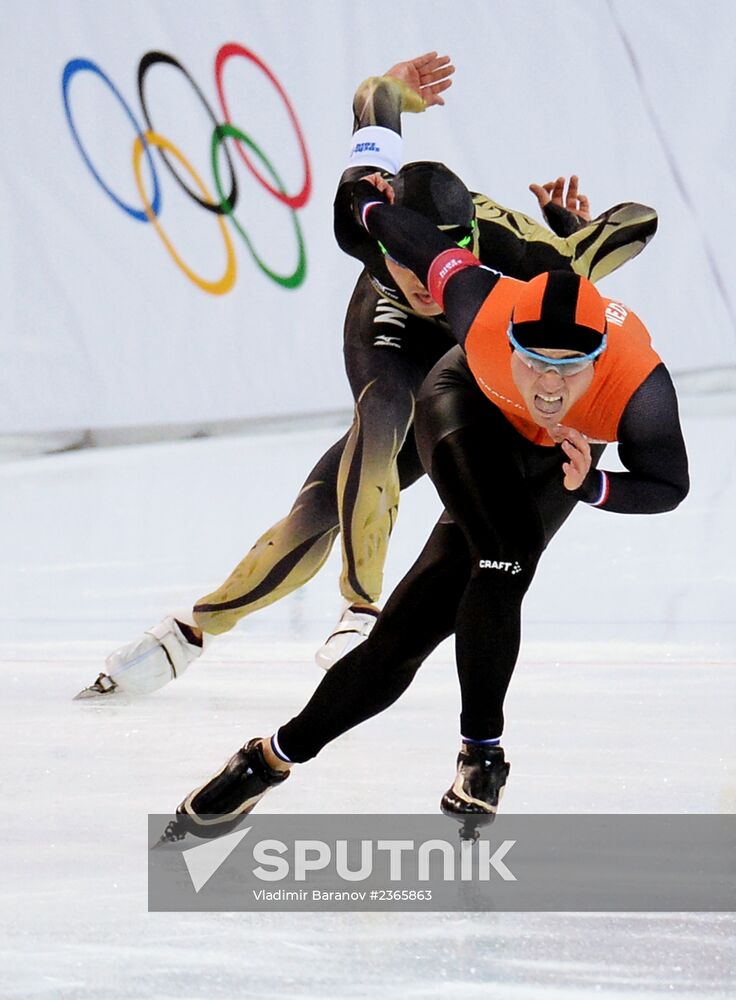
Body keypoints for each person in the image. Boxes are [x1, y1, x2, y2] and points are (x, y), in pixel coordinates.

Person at [79, 53, 658, 700]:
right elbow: (373, 99)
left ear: (468, 244)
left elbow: (638, 221)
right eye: (407, 259)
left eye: (440, 258)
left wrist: (573, 232)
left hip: (470, 365)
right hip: (388, 335)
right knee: (365, 436)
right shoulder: (361, 206)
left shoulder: (523, 256)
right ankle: (282, 623)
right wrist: (395, 89)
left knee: (338, 495)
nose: (423, 279)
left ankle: (210, 631)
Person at [160, 179, 688, 843]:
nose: (550, 388)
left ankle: (268, 758)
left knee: (409, 632)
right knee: (506, 556)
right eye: (535, 364)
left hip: (564, 459)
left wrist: (593, 488)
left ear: (601, 363)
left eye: (569, 369)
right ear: (508, 338)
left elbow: (669, 486)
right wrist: (369, 203)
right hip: (466, 405)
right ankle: (483, 755)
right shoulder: (482, 306)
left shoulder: (639, 388)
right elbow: (419, 242)